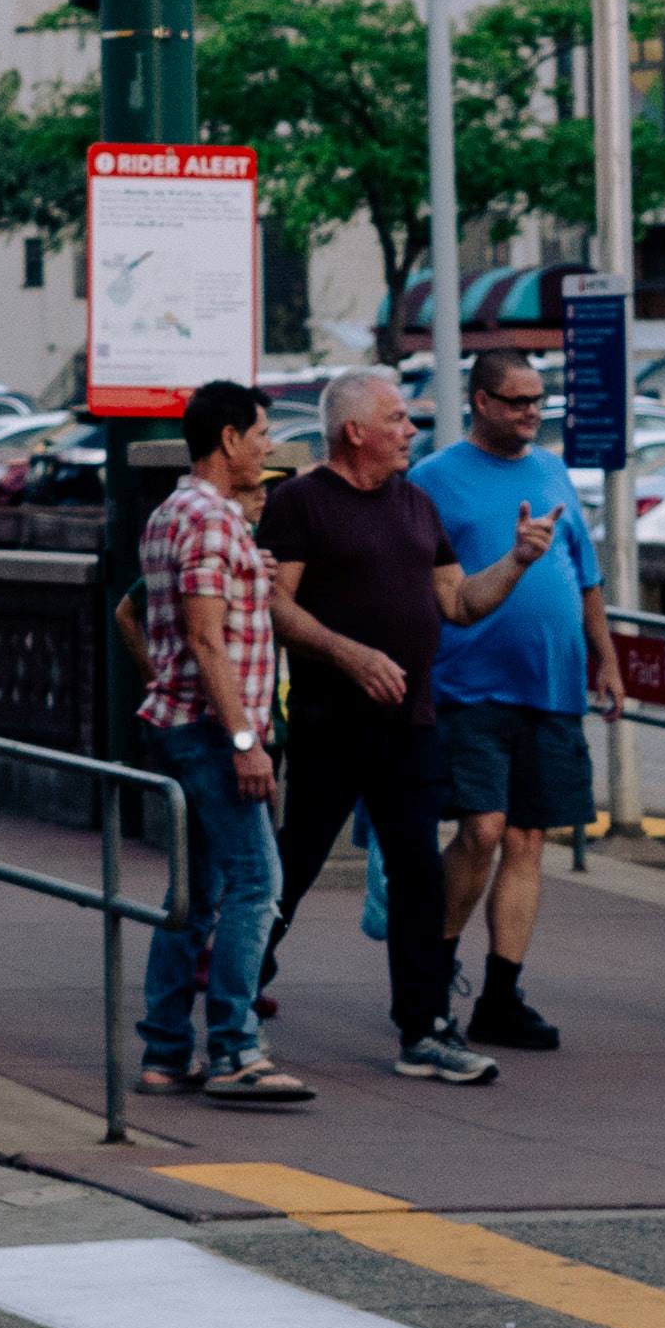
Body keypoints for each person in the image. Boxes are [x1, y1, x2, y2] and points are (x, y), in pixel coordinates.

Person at [259, 368, 538, 1081]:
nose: (411, 430)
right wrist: (347, 654)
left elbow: (459, 602)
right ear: (355, 429)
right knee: (293, 863)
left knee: (417, 872)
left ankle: (424, 1027)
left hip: (410, 721)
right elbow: (275, 606)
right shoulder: (300, 503)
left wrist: (517, 560)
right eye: (397, 419)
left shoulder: (415, 505)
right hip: (329, 720)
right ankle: (235, 988)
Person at [417, 332, 598, 1055]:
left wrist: (605, 659)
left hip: (551, 686)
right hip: (470, 684)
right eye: (518, 402)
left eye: (539, 401)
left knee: (528, 837)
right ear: (482, 400)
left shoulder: (554, 470)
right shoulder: (433, 478)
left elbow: (586, 574)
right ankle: (428, 972)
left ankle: (501, 992)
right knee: (483, 829)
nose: (531, 413)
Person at [127, 378, 305, 1104]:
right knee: (258, 885)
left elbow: (177, 617)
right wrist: (243, 739)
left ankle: (167, 1051)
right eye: (260, 433)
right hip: (210, 729)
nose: (266, 447)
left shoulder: (177, 513)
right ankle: (234, 1048)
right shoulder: (209, 517)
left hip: (185, 724)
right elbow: (204, 636)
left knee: (195, 896)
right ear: (228, 439)